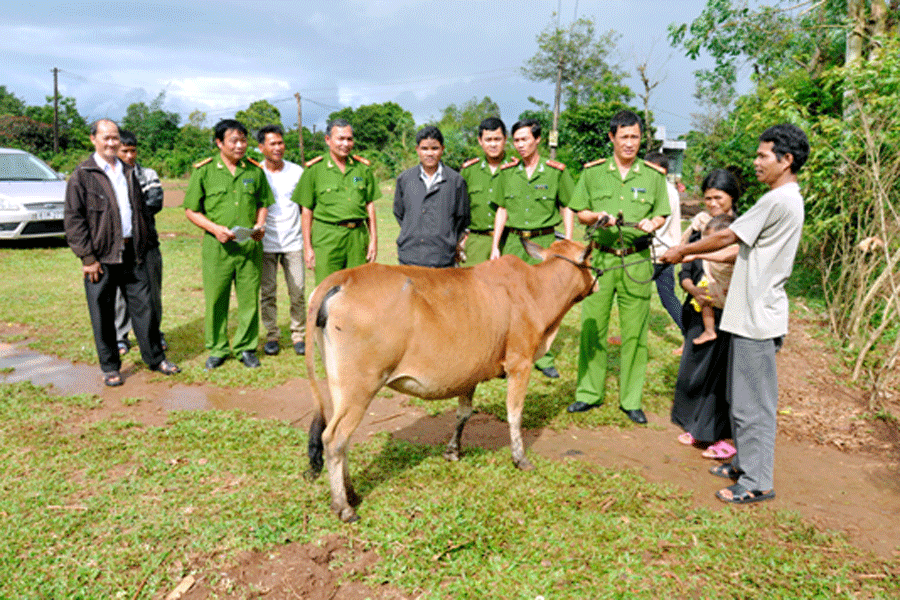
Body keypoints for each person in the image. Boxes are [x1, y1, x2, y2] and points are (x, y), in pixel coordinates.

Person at [661, 123, 810, 504]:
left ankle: (757, 480)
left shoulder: (777, 200)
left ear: (786, 160)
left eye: (763, 156)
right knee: (740, 397)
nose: (756, 162)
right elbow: (736, 249)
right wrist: (693, 253)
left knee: (753, 404)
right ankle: (745, 463)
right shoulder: (781, 200)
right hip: (747, 314)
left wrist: (684, 251)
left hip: (758, 318)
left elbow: (727, 236)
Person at [566, 110, 669, 424]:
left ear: (641, 139)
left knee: (635, 333)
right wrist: (596, 216)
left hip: (636, 260)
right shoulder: (593, 173)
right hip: (601, 259)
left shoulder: (653, 176)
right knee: (592, 326)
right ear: (612, 138)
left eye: (635, 137)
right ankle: (588, 393)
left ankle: (631, 399)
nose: (629, 143)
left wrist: (655, 221)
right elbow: (579, 209)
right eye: (623, 136)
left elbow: (662, 213)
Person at [64, 119, 180, 386]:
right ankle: (110, 367)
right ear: (93, 139)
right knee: (103, 312)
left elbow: (140, 212)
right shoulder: (83, 175)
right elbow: (73, 220)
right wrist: (88, 258)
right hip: (101, 257)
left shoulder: (128, 171)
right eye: (105, 137)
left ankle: (155, 358)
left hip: (133, 252)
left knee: (145, 308)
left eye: (115, 138)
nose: (111, 143)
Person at [184, 119, 274, 370]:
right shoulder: (204, 171)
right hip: (217, 247)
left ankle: (246, 347)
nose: (240, 145)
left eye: (243, 140)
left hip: (248, 247)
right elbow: (191, 210)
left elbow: (263, 203)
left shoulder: (255, 171)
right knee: (216, 298)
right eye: (234, 141)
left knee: (248, 299)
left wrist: (260, 225)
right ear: (219, 143)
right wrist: (214, 229)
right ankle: (218, 348)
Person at [490, 118, 574, 378]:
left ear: (537, 139)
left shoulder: (555, 172)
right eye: (516, 141)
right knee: (508, 298)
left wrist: (567, 242)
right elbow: (502, 209)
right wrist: (495, 245)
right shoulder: (507, 172)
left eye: (525, 139)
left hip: (545, 242)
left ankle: (543, 354)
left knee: (545, 300)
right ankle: (504, 350)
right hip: (514, 242)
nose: (520, 145)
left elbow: (567, 206)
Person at [671, 169, 741, 457]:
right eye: (708, 198)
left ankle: (718, 434)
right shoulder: (701, 227)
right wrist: (693, 289)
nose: (712, 203)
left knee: (721, 375)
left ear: (732, 197)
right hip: (699, 307)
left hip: (729, 309)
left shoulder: (739, 228)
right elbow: (685, 268)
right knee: (695, 370)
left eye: (718, 198)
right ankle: (695, 425)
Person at [294, 118, 379, 285]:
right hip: (327, 237)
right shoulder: (314, 170)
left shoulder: (362, 168)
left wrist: (374, 240)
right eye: (340, 139)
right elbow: (306, 210)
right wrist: (308, 247)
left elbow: (370, 205)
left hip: (357, 236)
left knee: (359, 289)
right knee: (328, 290)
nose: (345, 144)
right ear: (328, 140)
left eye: (349, 139)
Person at [113, 129, 166, 356]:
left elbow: (155, 202)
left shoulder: (147, 174)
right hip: (117, 245)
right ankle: (120, 336)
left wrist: (126, 210)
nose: (130, 155)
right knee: (119, 294)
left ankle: (154, 333)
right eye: (125, 151)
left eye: (133, 150)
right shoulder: (108, 177)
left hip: (147, 243)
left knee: (152, 291)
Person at [256, 124, 306, 356]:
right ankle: (272, 335)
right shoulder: (256, 173)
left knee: (297, 291)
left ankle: (299, 334)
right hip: (266, 243)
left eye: (281, 143)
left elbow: (306, 208)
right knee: (268, 292)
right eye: (273, 144)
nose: (278, 148)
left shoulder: (297, 172)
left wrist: (307, 241)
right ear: (261, 147)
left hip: (293, 241)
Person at [394, 125, 470, 267]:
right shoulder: (405, 179)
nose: (430, 153)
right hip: (410, 256)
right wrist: (414, 230)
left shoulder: (456, 181)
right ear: (417, 150)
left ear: (442, 149)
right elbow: (399, 213)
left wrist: (447, 238)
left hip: (443, 257)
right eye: (424, 148)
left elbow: (462, 218)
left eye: (434, 148)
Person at [644, 152, 683, 336]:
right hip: (667, 251)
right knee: (668, 297)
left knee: (635, 297)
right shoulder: (671, 190)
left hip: (653, 252)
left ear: (662, 170)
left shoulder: (657, 190)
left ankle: (630, 334)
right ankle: (688, 334)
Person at [459, 117, 506, 265]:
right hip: (476, 242)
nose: (493, 144)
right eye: (488, 139)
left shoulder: (516, 169)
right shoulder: (469, 171)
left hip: (508, 241)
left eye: (497, 139)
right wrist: (459, 239)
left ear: (505, 139)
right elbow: (457, 208)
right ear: (480, 141)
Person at [691, 214, 736, 346]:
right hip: (715, 284)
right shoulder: (709, 252)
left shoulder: (737, 249)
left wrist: (696, 254)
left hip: (731, 289)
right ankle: (709, 330)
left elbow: (730, 256)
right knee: (704, 299)